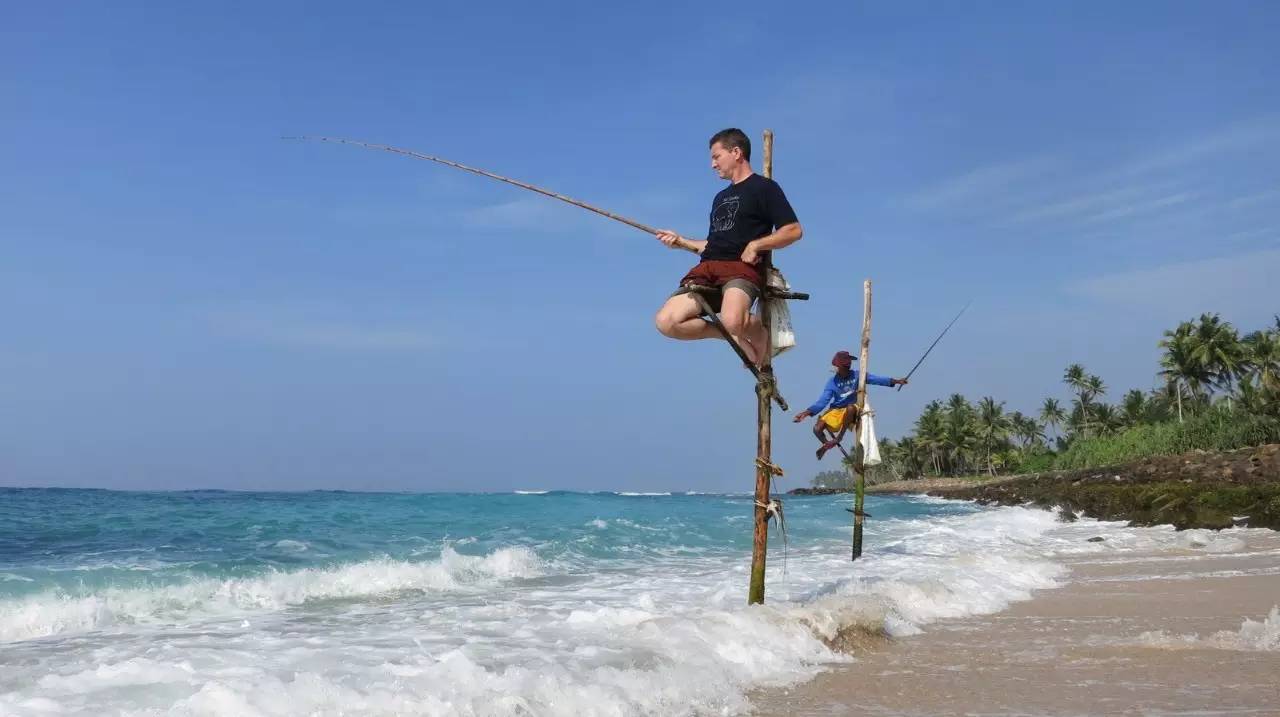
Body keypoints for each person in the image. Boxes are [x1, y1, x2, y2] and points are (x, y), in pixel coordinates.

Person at [652, 128, 802, 367]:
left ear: (736, 152)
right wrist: (681, 242)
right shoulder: (720, 197)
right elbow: (714, 243)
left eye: (716, 156)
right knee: (666, 322)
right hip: (708, 268)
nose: (712, 164)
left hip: (741, 268)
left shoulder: (765, 188)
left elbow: (793, 230)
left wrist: (757, 244)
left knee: (733, 319)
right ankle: (730, 336)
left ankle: (755, 330)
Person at [793, 351, 907, 459]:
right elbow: (822, 401)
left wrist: (896, 381)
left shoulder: (858, 375)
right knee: (817, 429)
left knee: (850, 408)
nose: (834, 368)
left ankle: (839, 438)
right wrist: (806, 413)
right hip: (836, 410)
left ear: (840, 367)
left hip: (852, 409)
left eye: (836, 366)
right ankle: (827, 444)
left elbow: (876, 379)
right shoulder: (832, 382)